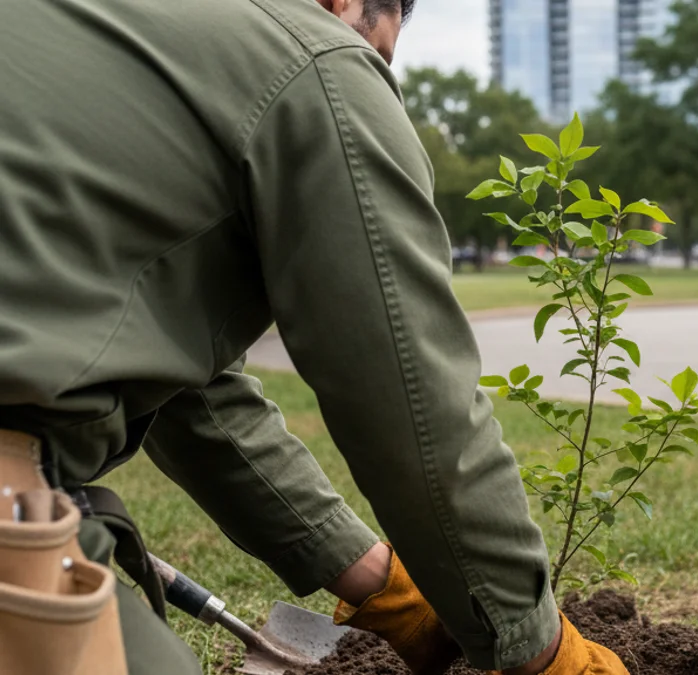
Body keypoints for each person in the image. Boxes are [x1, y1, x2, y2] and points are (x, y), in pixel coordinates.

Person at [0, 0, 627, 673]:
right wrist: (543, 649)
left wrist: (378, 584)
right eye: (378, 52)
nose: (370, 71)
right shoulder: (315, 55)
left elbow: (193, 395)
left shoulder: (117, 37)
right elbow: (413, 403)